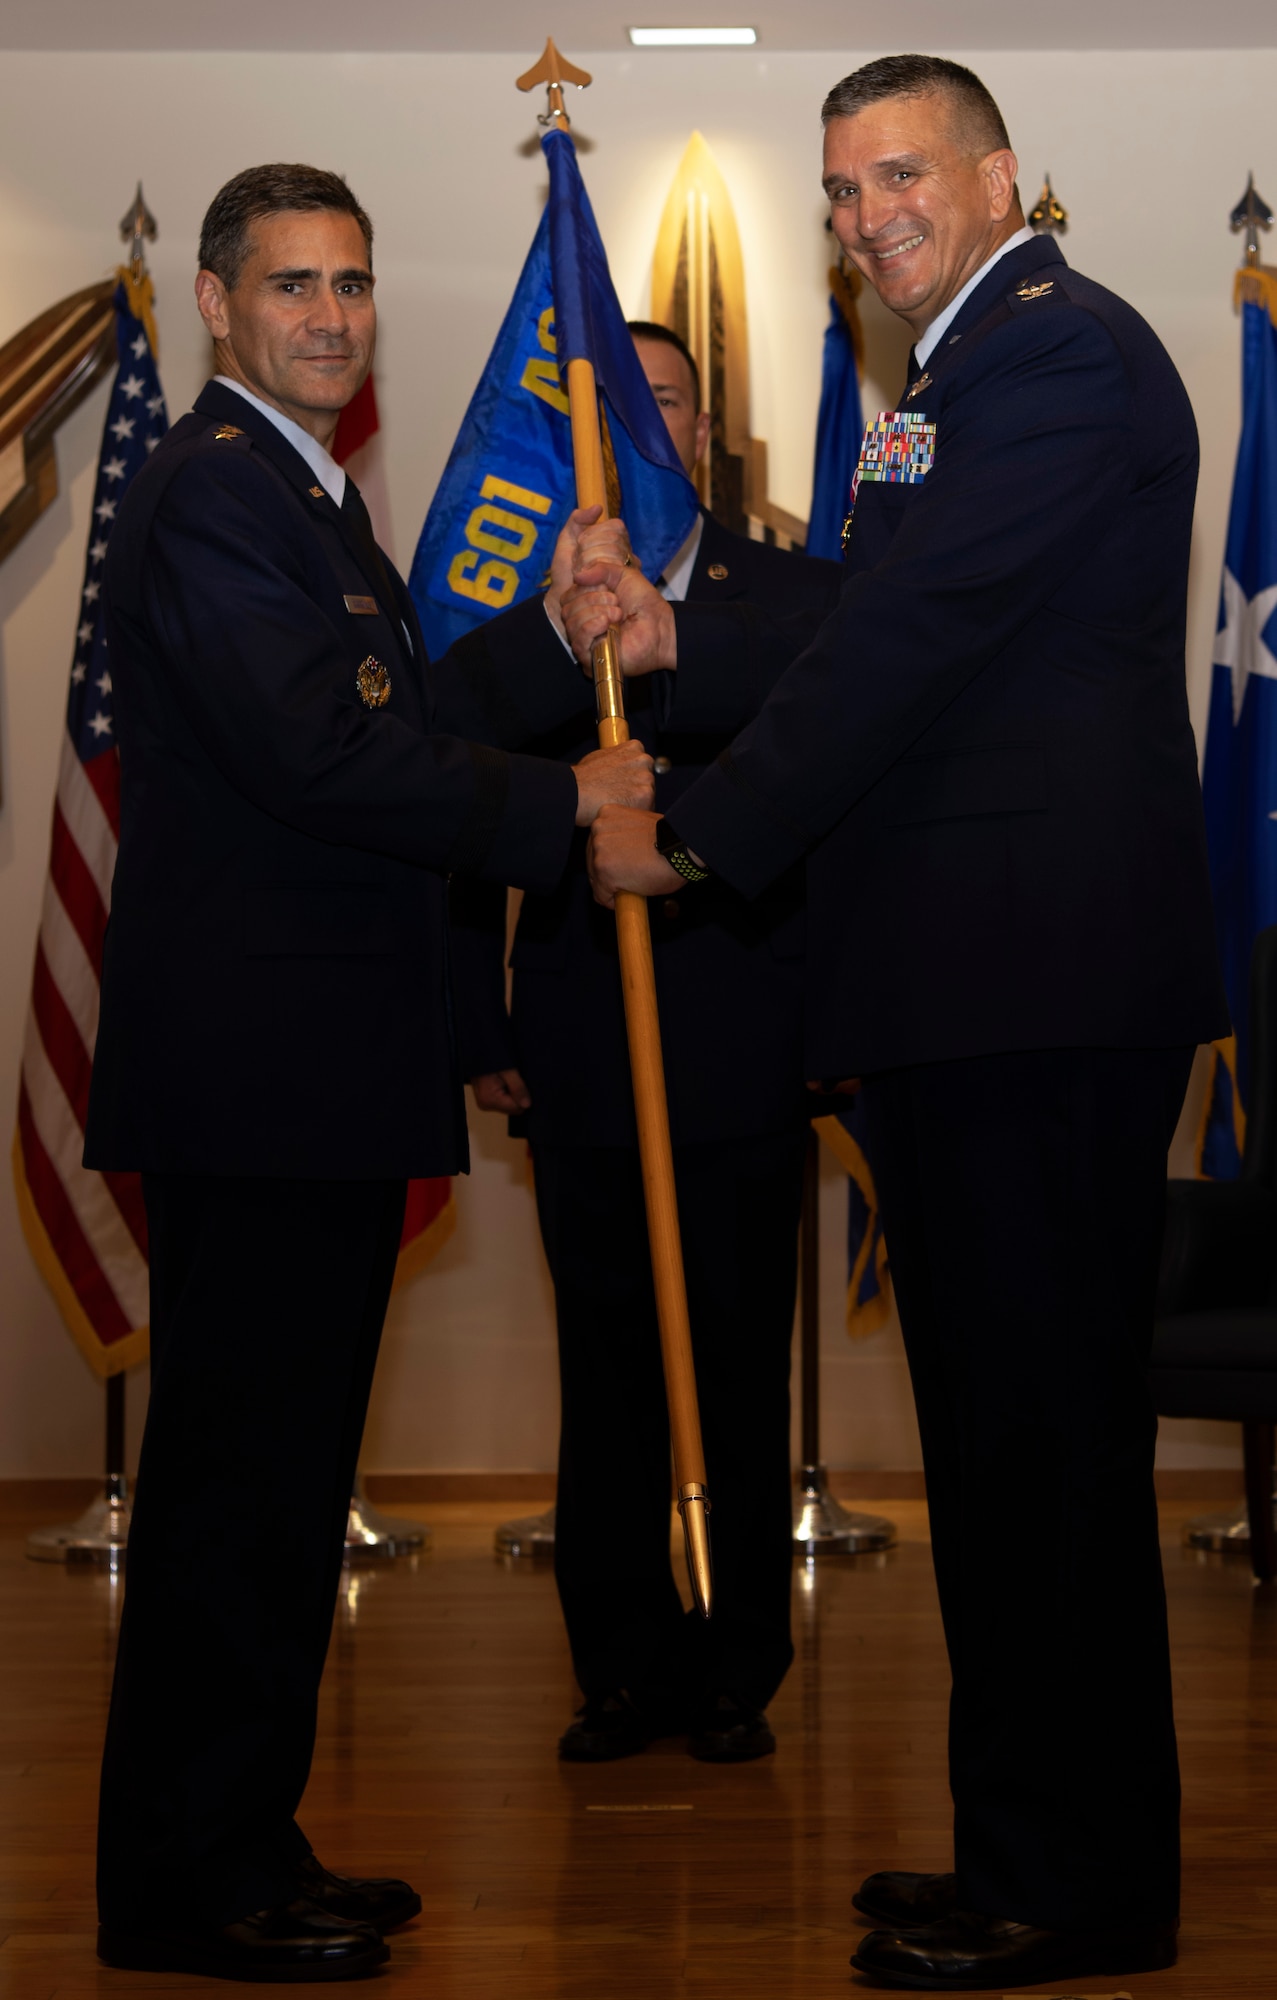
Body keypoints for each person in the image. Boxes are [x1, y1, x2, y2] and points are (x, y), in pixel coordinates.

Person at [573, 56, 1228, 1994]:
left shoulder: (1054, 354)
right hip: (976, 996)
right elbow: (880, 613)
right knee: (1000, 1451)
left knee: (1047, 1455)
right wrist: (685, 640)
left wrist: (687, 847)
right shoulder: (952, 378)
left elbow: (905, 643)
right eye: (843, 188)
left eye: (901, 173)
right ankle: (1020, 1847)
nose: (868, 214)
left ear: (1001, 175)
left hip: (1037, 991)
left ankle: (1081, 1885)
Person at [85, 163, 652, 1985]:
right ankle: (187, 1884)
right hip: (257, 1081)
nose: (330, 318)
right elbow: (322, 762)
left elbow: (395, 718)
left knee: (276, 1493)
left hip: (314, 1077)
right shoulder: (209, 495)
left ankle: (249, 1842)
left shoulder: (302, 498)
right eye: (291, 288)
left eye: (352, 285)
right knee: (235, 1499)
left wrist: (551, 650)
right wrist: (563, 806)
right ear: (217, 307)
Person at [451, 321, 842, 1763]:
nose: (634, 427)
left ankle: (733, 1667)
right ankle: (617, 1665)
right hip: (574, 1028)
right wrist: (473, 1012)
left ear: (693, 426)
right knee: (608, 1358)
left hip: (748, 1024)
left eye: (656, 404)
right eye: (605, 408)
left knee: (733, 1354)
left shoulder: (798, 596)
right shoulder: (520, 614)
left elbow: (838, 814)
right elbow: (449, 810)